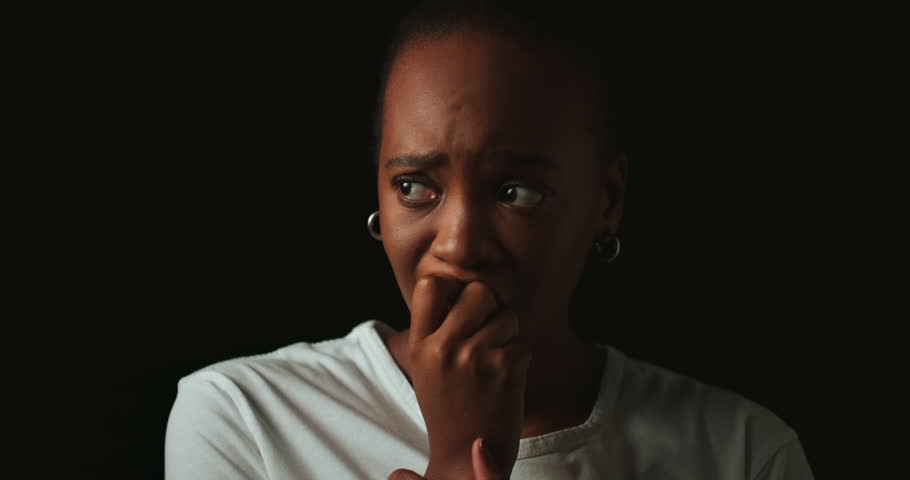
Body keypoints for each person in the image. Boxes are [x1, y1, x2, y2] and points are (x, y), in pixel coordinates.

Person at [165, 1, 815, 479]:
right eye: (416, 187)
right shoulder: (245, 419)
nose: (460, 244)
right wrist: (457, 462)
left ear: (606, 201)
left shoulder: (742, 454)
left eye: (517, 193)